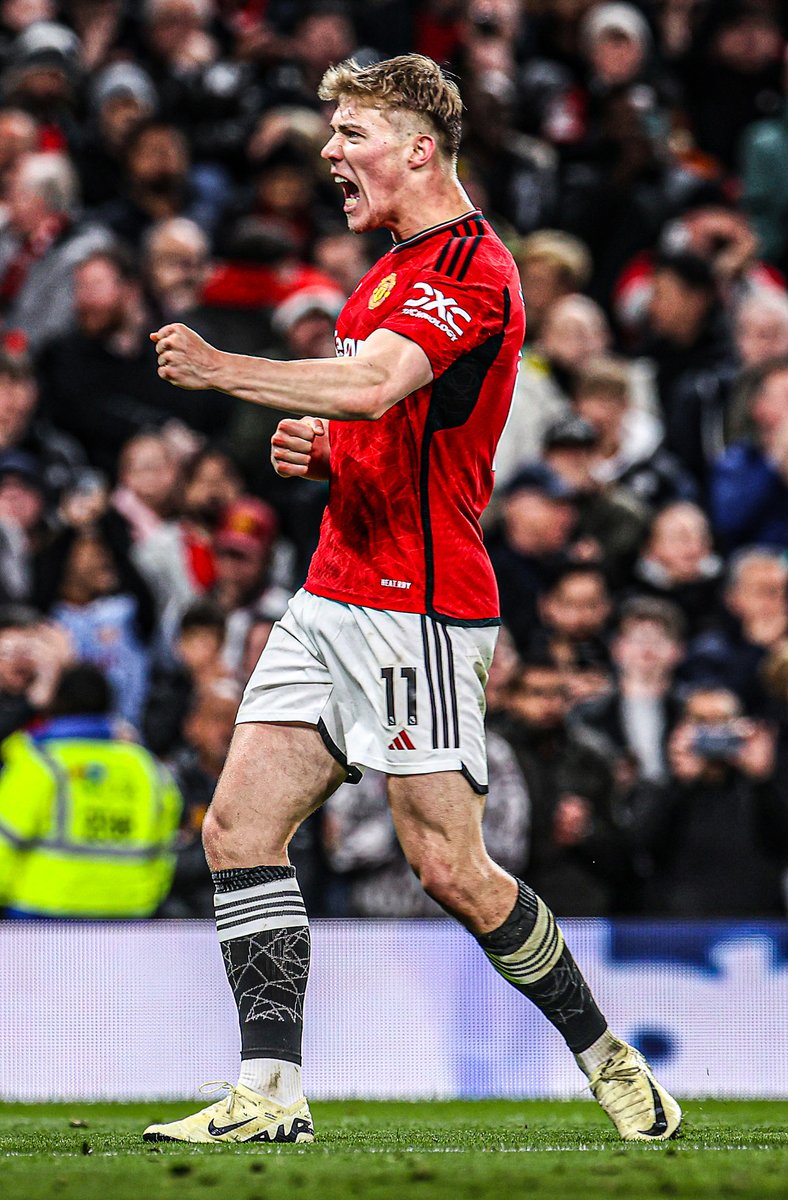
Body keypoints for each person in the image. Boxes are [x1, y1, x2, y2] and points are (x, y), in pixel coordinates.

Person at [144, 53, 681, 1147]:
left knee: (448, 869)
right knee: (237, 827)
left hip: (419, 608)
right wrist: (329, 449)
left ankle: (603, 1054)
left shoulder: (472, 267)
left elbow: (377, 383)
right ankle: (268, 1095)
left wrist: (223, 369)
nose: (330, 154)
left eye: (350, 134)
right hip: (333, 591)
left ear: (419, 147)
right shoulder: (382, 271)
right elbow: (380, 419)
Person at [0, 663, 182, 918]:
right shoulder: (148, 768)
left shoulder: (39, 763)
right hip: (128, 913)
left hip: (42, 913)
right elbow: (165, 850)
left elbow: (5, 841)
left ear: (57, 702)